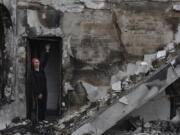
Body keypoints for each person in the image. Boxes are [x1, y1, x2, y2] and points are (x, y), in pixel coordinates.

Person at [31, 44, 51, 122]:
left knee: (44, 106)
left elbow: (45, 60)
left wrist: (47, 50)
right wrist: (38, 93)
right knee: (39, 106)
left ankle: (43, 120)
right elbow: (34, 84)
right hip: (39, 92)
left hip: (44, 91)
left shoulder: (41, 69)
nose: (37, 63)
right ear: (33, 64)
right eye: (35, 62)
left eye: (38, 62)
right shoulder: (33, 73)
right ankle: (39, 120)